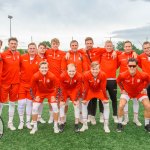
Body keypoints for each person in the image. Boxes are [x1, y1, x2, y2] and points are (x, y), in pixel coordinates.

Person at [117, 58, 150, 132]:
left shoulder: (143, 74)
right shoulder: (122, 75)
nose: (132, 67)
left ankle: (147, 125)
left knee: (148, 106)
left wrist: (145, 88)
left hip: (139, 93)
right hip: (128, 93)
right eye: (130, 65)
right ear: (127, 66)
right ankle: (119, 123)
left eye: (134, 66)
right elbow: (118, 81)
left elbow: (148, 80)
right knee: (121, 105)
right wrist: (122, 89)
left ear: (137, 66)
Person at [61, 40, 88, 123]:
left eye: (76, 45)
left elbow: (86, 68)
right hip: (68, 83)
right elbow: (63, 69)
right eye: (72, 45)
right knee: (65, 102)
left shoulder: (81, 55)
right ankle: (63, 118)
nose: (74, 46)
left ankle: (79, 117)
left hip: (78, 82)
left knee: (79, 100)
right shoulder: (66, 55)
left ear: (78, 45)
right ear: (70, 46)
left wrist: (81, 78)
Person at [30, 61, 59, 134]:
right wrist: (34, 97)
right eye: (42, 68)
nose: (44, 69)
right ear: (39, 68)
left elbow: (58, 87)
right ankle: (35, 127)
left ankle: (55, 126)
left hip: (51, 92)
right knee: (34, 107)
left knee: (55, 107)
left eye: (46, 68)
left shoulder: (52, 76)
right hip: (40, 93)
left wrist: (55, 96)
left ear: (48, 68)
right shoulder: (35, 76)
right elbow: (31, 88)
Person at [80, 61, 110, 133]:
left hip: (99, 90)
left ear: (99, 69)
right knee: (84, 105)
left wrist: (106, 98)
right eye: (93, 69)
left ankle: (106, 125)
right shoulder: (86, 75)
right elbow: (86, 88)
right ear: (90, 69)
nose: (95, 71)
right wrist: (84, 99)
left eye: (96, 69)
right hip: (90, 90)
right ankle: (84, 125)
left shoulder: (103, 74)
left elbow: (103, 88)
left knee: (106, 104)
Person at [118, 41, 141, 126]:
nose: (127, 48)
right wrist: (121, 88)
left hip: (135, 81)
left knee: (135, 100)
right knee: (125, 100)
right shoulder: (120, 56)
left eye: (129, 46)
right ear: (123, 47)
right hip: (125, 81)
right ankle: (126, 118)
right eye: (126, 46)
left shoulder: (136, 55)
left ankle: (135, 119)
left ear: (131, 47)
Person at [18, 42, 40, 130]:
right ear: (28, 49)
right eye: (30, 48)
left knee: (29, 104)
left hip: (32, 86)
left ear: (36, 49)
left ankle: (27, 122)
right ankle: (21, 122)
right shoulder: (22, 57)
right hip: (22, 84)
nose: (32, 50)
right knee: (21, 103)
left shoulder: (39, 59)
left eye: (33, 48)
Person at [0, 37, 20, 130]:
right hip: (4, 83)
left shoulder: (18, 54)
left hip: (15, 83)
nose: (13, 45)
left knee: (12, 103)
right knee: (1, 103)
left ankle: (10, 123)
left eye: (15, 43)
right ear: (8, 44)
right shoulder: (3, 55)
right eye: (11, 43)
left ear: (17, 45)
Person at [45, 38, 65, 124]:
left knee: (59, 98)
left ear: (59, 44)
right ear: (51, 44)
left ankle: (59, 116)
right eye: (53, 44)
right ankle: (51, 116)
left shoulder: (62, 53)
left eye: (56, 44)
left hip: (59, 80)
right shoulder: (47, 52)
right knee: (50, 99)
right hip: (49, 79)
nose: (55, 45)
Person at [59, 63, 82, 132]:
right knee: (62, 105)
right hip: (65, 90)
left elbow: (78, 88)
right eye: (70, 71)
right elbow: (61, 87)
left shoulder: (79, 76)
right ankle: (62, 122)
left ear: (76, 70)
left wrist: (75, 99)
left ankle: (76, 123)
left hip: (74, 90)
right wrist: (62, 99)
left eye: (73, 71)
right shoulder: (62, 76)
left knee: (76, 105)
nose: (71, 73)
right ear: (67, 70)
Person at [100, 40, 118, 123]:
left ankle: (115, 115)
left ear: (113, 46)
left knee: (113, 98)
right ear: (105, 46)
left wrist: (114, 51)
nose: (109, 47)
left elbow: (126, 52)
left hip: (112, 80)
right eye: (107, 46)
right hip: (103, 80)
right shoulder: (101, 53)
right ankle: (101, 115)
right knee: (101, 98)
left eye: (110, 46)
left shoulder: (116, 53)